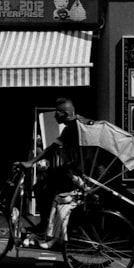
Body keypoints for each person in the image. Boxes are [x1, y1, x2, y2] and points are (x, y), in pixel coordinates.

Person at [20, 98, 92, 245]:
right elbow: (52, 148)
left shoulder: (77, 127)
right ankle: (45, 225)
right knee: (43, 185)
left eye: (57, 113)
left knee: (41, 188)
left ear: (65, 114)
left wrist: (30, 163)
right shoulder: (74, 125)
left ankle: (45, 225)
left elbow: (51, 149)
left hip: (78, 174)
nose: (54, 117)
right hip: (72, 170)